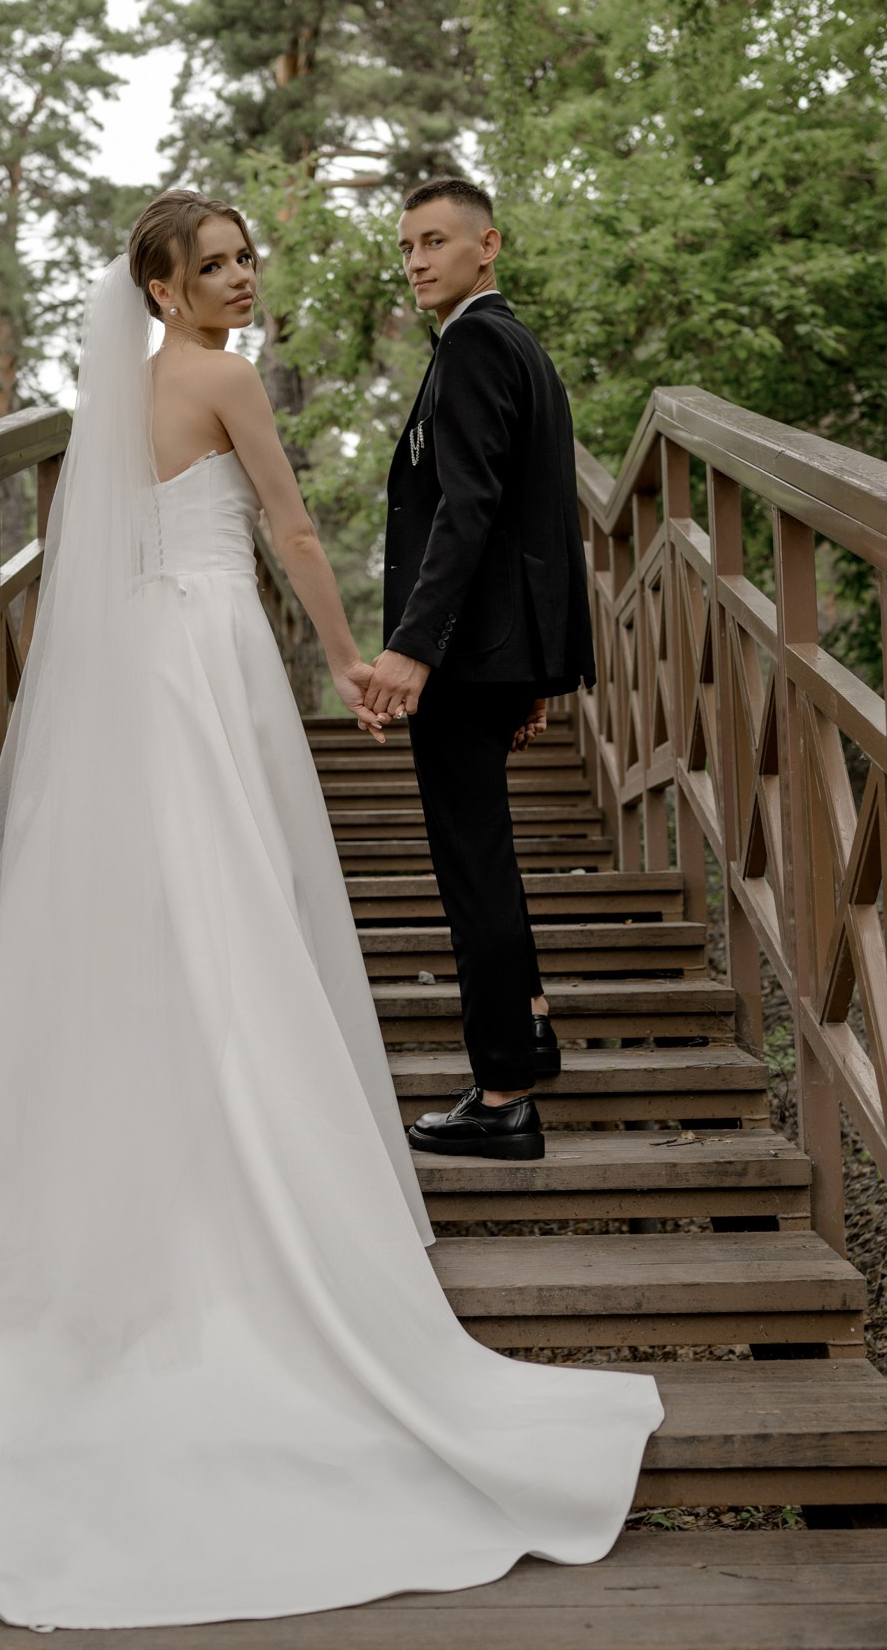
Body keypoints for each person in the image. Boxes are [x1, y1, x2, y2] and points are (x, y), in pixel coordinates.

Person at [0, 191, 658, 1631]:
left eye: (246, 260)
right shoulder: (225, 380)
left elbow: (99, 551)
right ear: (160, 285)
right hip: (213, 654)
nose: (242, 280)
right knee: (235, 893)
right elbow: (289, 529)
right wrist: (348, 661)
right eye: (215, 266)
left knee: (149, 902)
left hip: (137, 666)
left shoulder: (114, 399)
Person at [364, 178, 596, 1162]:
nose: (416, 260)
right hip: (501, 646)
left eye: (434, 241)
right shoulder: (515, 346)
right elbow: (527, 509)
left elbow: (466, 512)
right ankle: (527, 1026)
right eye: (406, 246)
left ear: (486, 245)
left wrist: (412, 646)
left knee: (471, 865)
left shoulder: (472, 346)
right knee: (486, 850)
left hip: (464, 652)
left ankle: (501, 1096)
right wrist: (535, 667)